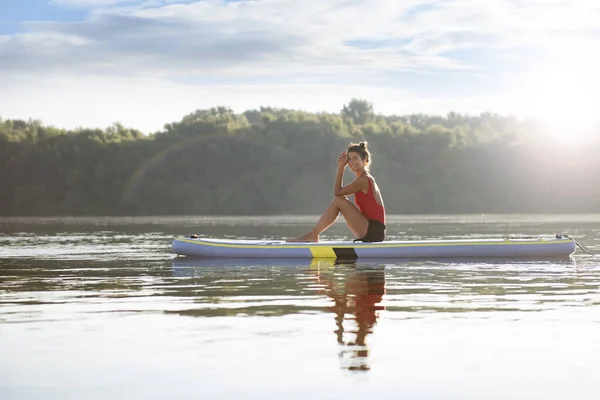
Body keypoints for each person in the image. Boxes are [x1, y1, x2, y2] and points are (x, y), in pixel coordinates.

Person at [287, 141, 386, 242]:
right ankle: (313, 235)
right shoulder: (362, 179)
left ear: (365, 160)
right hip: (369, 228)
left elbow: (337, 192)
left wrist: (340, 168)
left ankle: (313, 235)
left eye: (355, 158)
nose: (352, 162)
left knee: (339, 201)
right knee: (339, 200)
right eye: (349, 159)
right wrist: (341, 167)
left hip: (374, 232)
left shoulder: (364, 180)